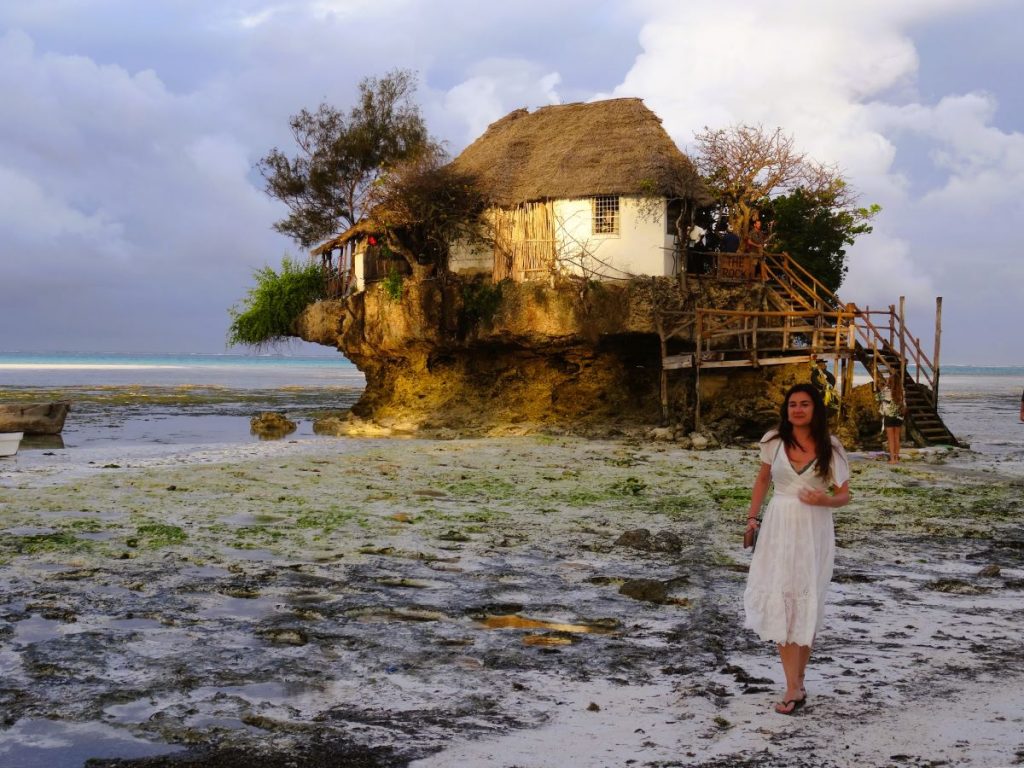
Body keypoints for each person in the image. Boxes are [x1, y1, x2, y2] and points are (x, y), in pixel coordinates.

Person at [743, 383, 851, 715]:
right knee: (783, 598)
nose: (798, 410)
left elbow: (845, 494)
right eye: (792, 405)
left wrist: (826, 500)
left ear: (816, 408)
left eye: (804, 404)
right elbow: (763, 480)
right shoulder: (773, 441)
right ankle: (792, 686)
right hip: (779, 523)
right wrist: (752, 519)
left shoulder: (830, 447)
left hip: (813, 528)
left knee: (806, 600)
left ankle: (798, 683)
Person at [876, 374, 906, 464]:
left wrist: (885, 386)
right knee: (897, 438)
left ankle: (892, 459)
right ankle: (896, 458)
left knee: (890, 439)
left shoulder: (886, 391)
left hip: (889, 416)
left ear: (890, 382)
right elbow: (904, 404)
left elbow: (877, 397)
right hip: (899, 416)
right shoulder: (902, 391)